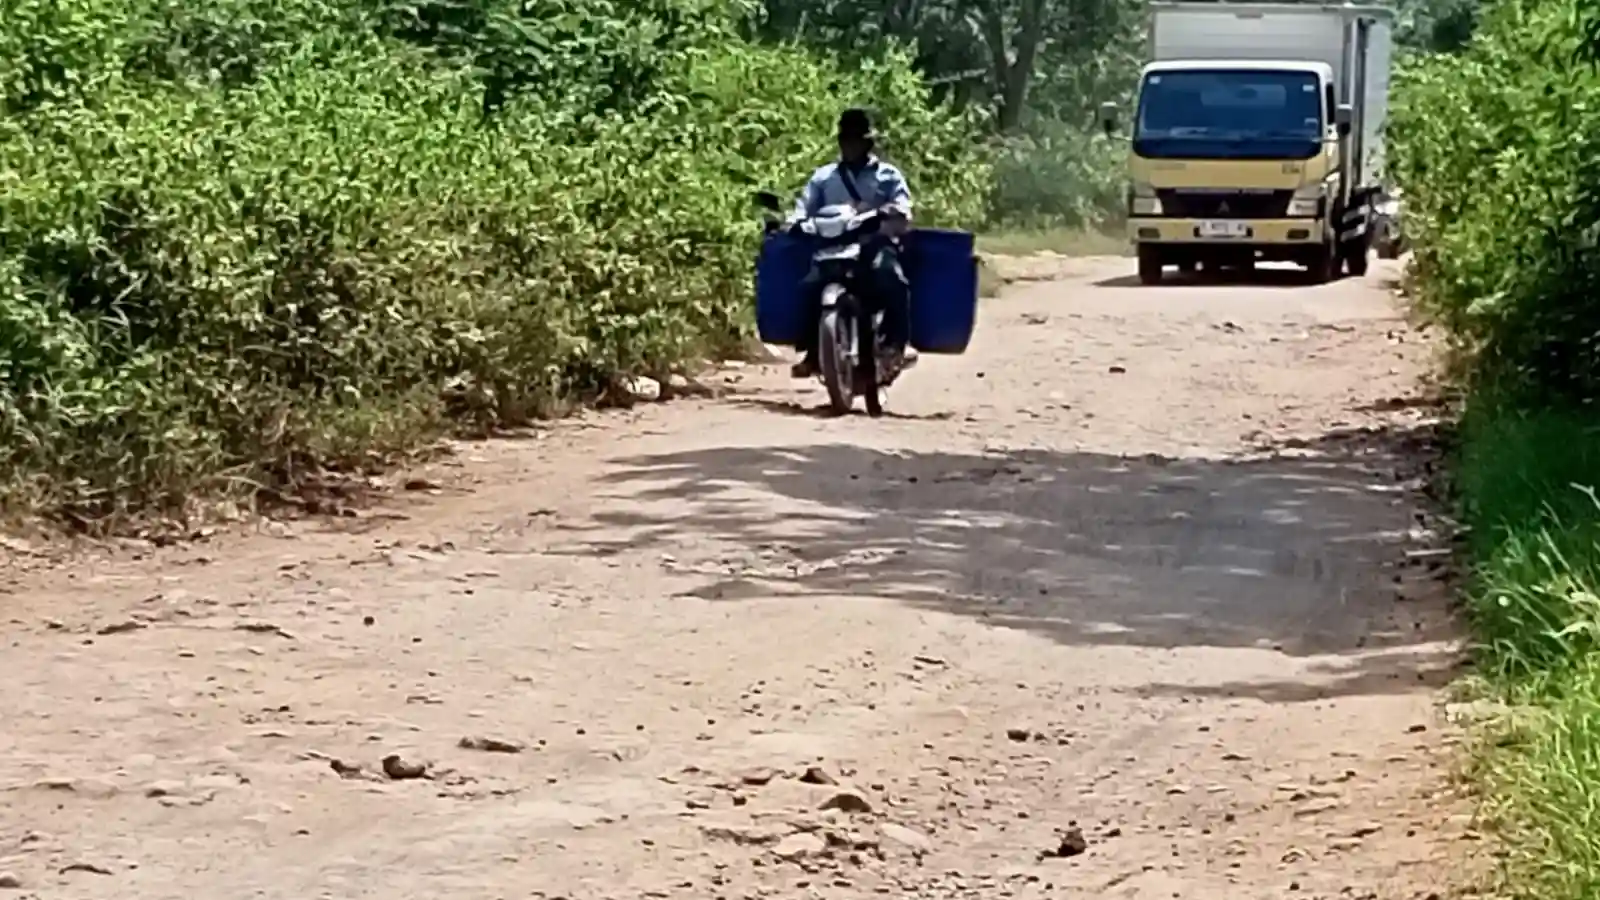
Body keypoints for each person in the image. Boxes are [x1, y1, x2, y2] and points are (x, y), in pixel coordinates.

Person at [785, 108, 916, 379]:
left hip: (874, 245)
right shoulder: (823, 178)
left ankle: (895, 345)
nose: (850, 146)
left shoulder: (888, 176)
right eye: (846, 140)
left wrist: (892, 213)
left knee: (892, 279)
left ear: (868, 143)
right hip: (831, 246)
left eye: (856, 140)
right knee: (807, 286)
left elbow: (903, 208)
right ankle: (813, 350)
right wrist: (793, 223)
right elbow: (803, 207)